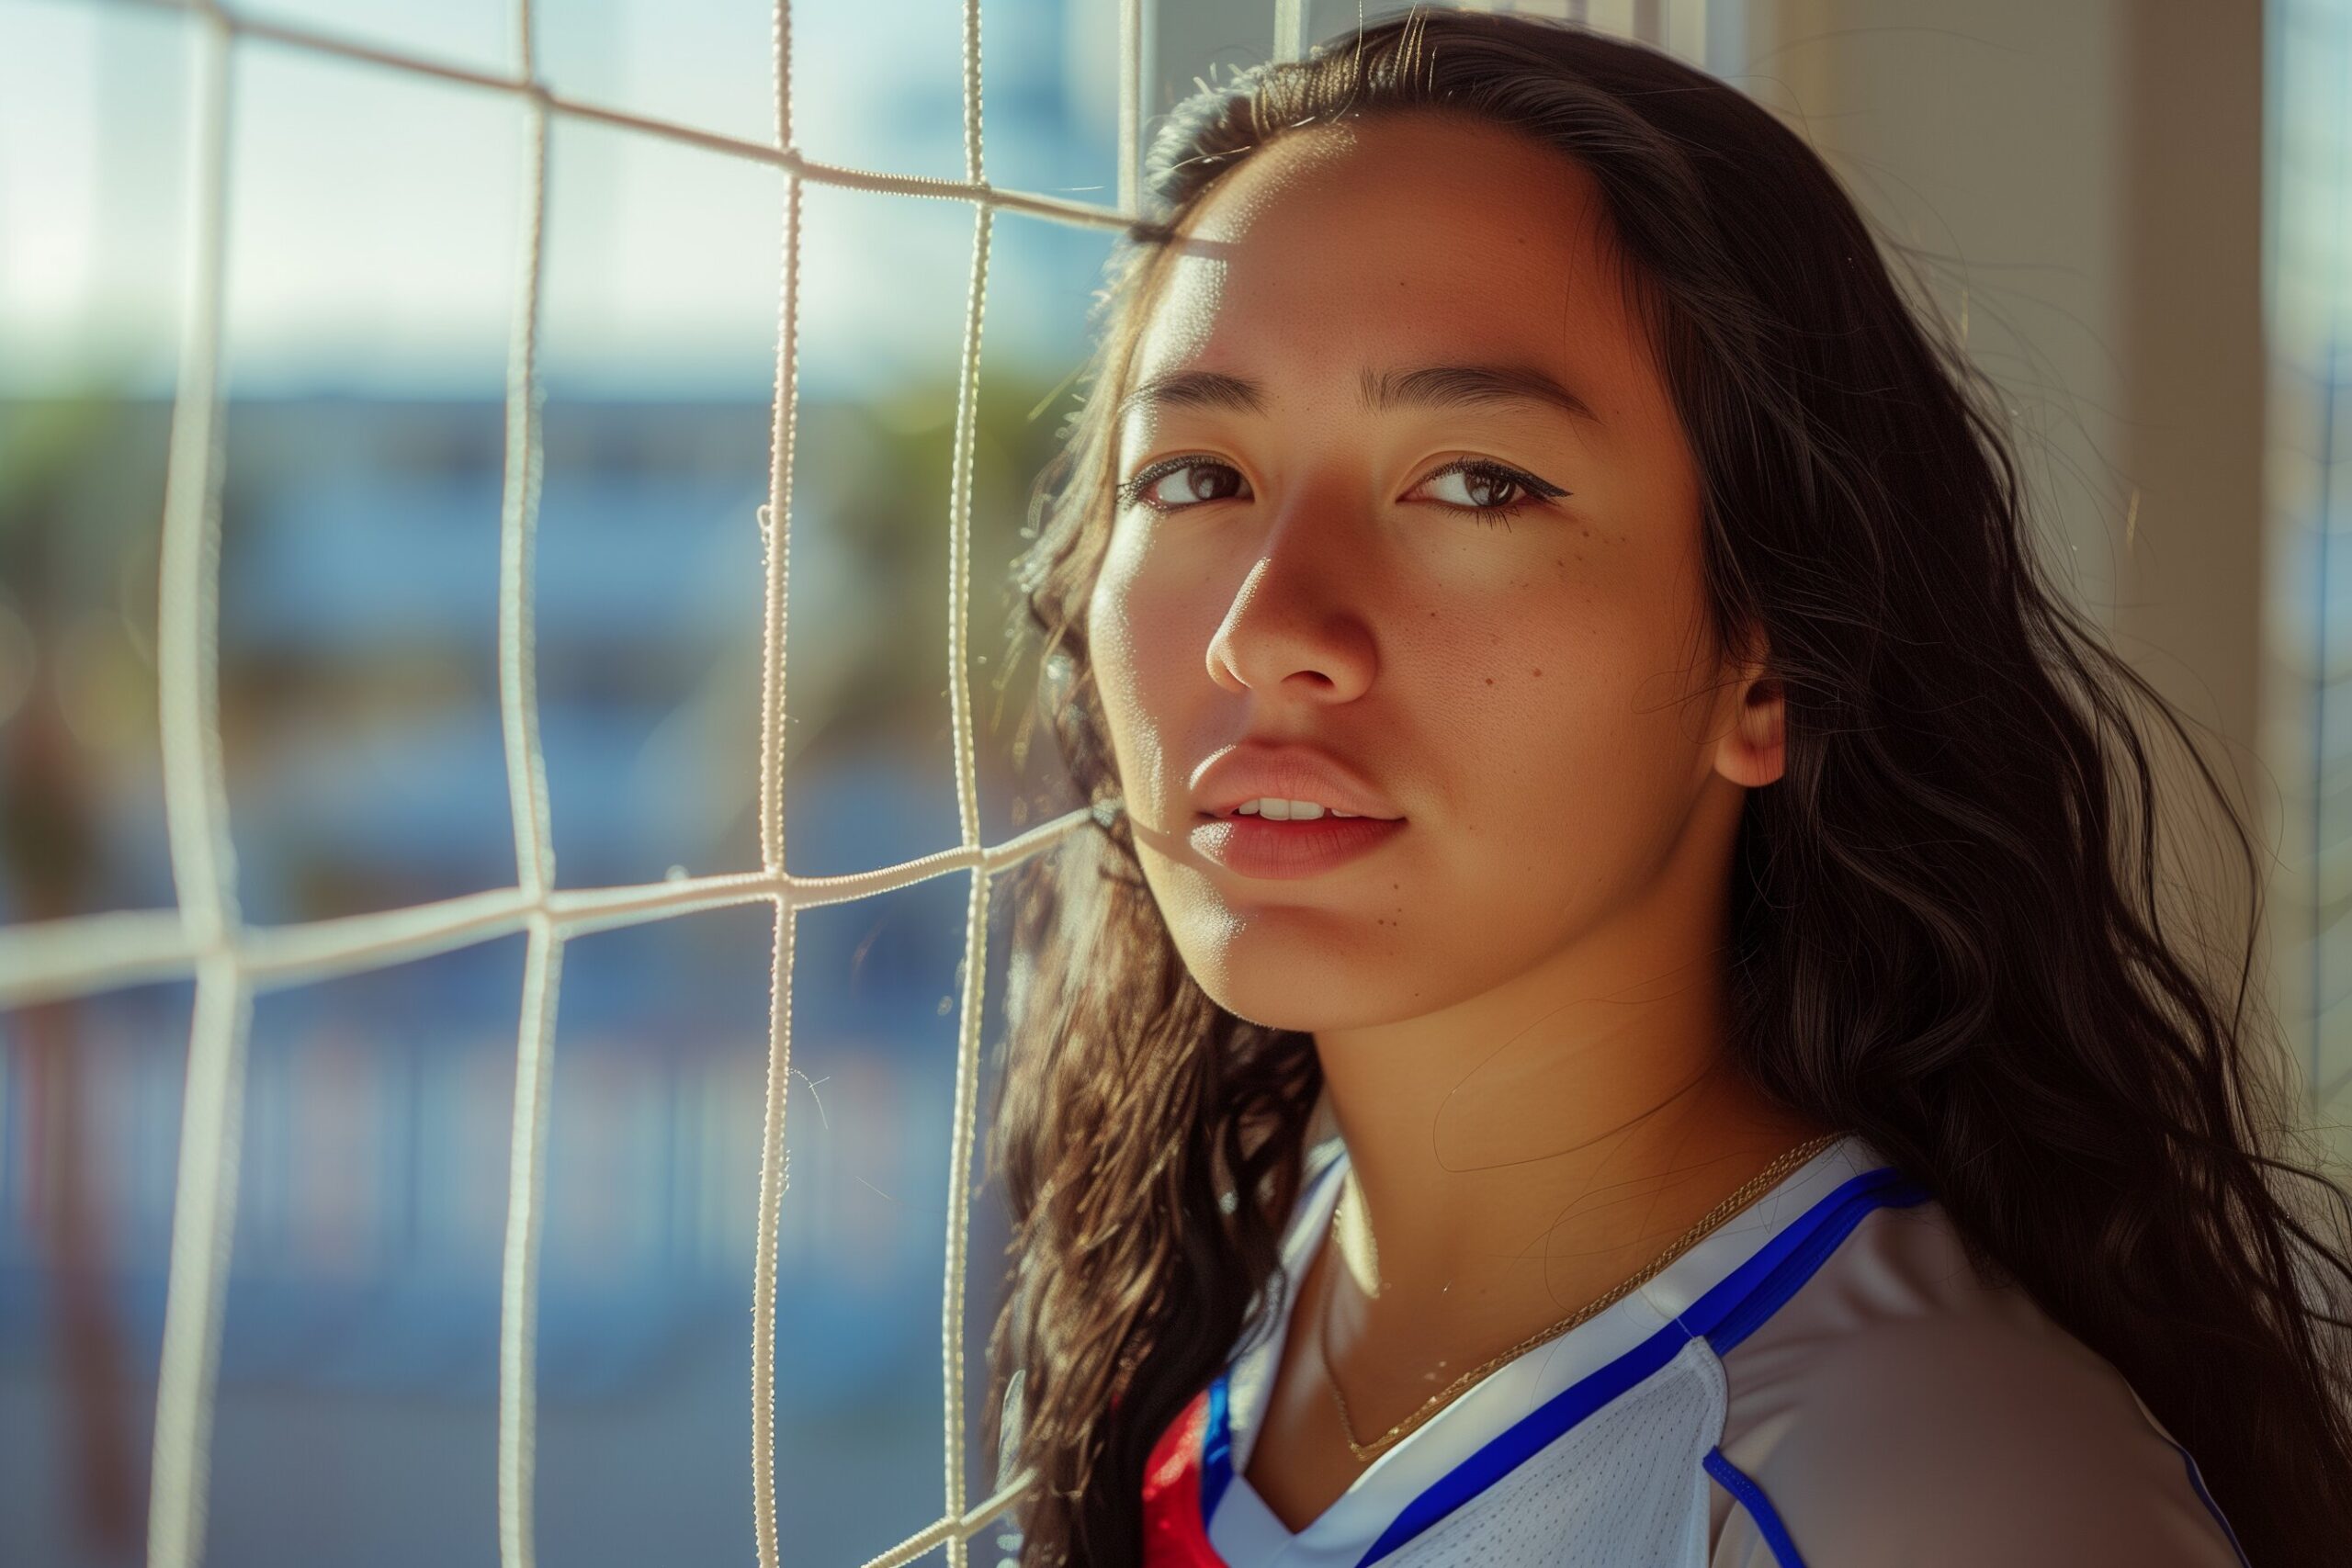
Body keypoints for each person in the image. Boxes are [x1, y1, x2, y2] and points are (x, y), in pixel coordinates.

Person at [978, 9, 2352, 1566]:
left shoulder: (1934, 1499)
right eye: (1197, 478)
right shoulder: (1225, 1294)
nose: (1268, 626)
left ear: (1769, 669)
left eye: (1477, 483)